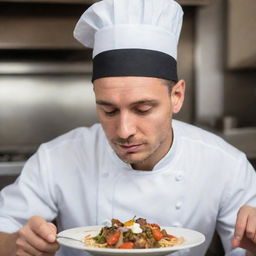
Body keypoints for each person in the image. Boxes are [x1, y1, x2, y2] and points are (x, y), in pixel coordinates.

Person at [0, 0, 256, 255]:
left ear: (176, 96)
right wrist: (16, 244)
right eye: (108, 110)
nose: (123, 131)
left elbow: (243, 248)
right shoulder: (56, 158)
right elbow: (5, 229)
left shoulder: (225, 165)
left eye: (142, 109)